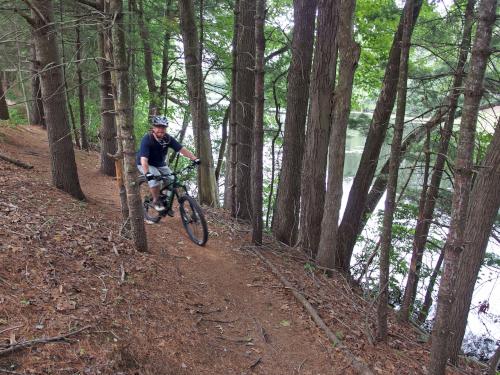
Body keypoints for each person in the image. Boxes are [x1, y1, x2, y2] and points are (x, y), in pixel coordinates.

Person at [136, 115, 200, 214]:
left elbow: (181, 149)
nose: (161, 130)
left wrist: (194, 158)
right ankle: (156, 201)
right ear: (153, 128)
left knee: (173, 180)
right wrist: (147, 173)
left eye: (163, 127)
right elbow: (144, 159)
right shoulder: (147, 139)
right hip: (146, 164)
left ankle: (166, 202)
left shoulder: (168, 139)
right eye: (158, 127)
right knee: (155, 179)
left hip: (160, 164)